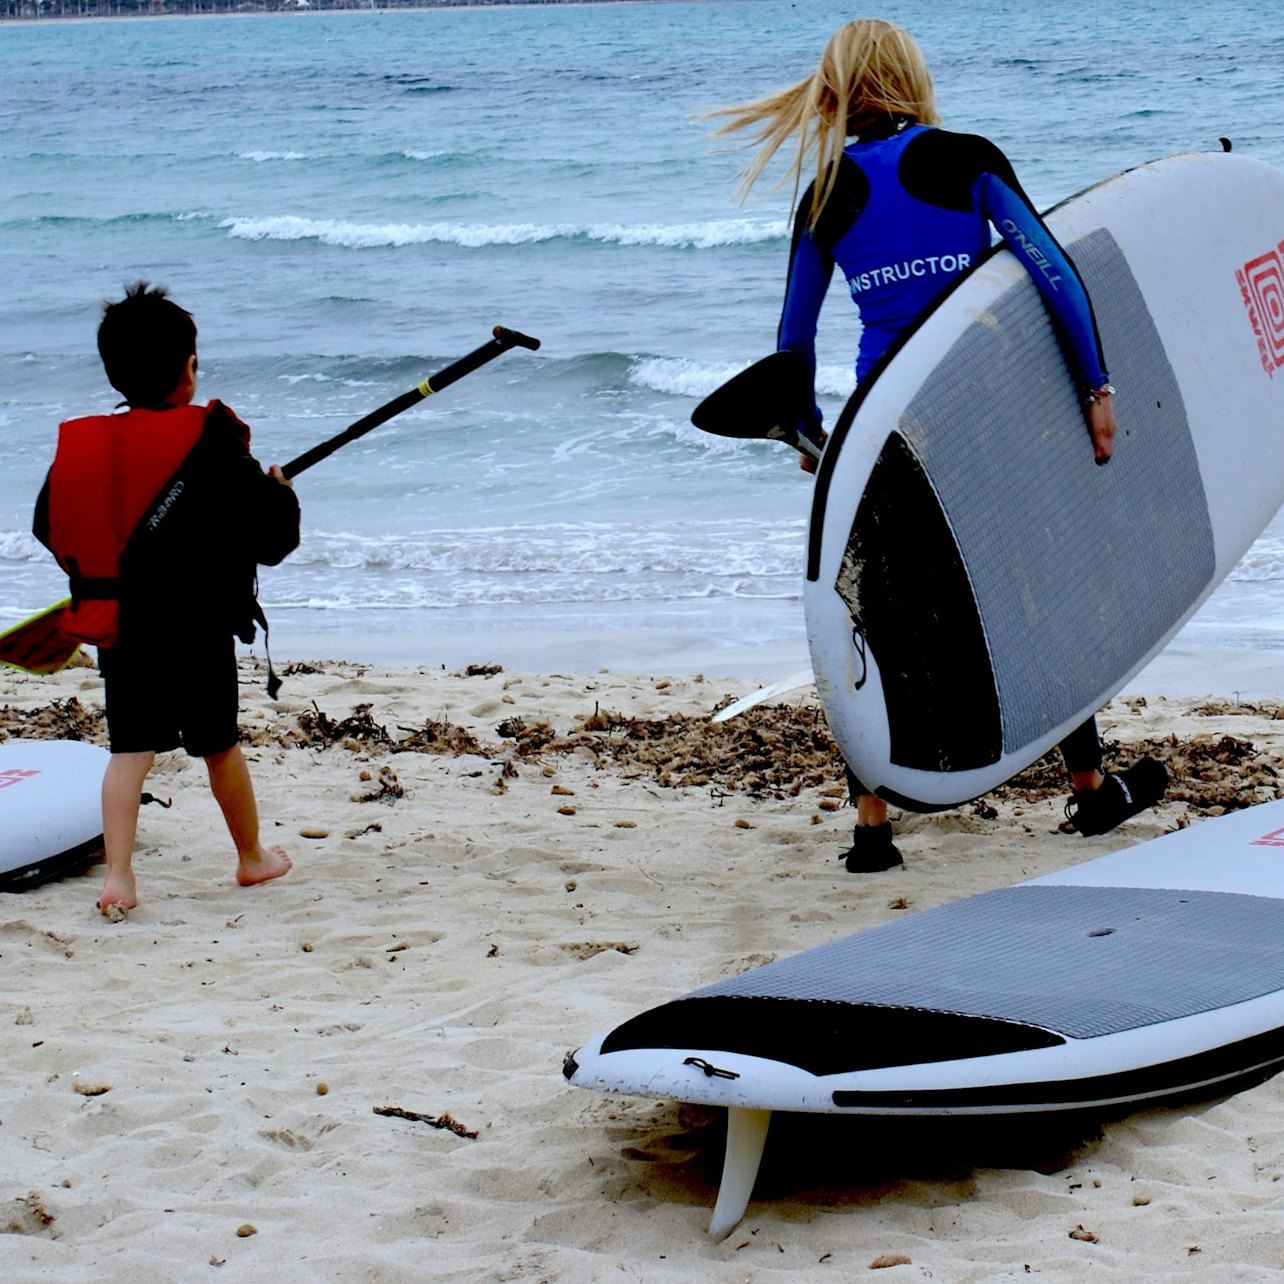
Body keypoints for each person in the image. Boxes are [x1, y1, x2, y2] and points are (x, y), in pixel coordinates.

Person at [712, 19, 1166, 873]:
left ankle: (874, 827)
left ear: (838, 89)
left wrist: (810, 436)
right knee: (1036, 598)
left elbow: (791, 342)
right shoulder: (967, 159)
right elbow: (1051, 270)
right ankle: (1093, 788)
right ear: (910, 75)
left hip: (881, 435)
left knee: (880, 616)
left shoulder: (824, 194)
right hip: (976, 421)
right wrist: (1096, 390)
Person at [33, 283, 301, 913]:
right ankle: (250, 857)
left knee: (129, 752)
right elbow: (272, 538)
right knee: (218, 745)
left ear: (113, 374)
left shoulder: (88, 447)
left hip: (122, 628)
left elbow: (50, 523)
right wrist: (278, 489)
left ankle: (118, 876)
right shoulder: (211, 443)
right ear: (188, 369)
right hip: (197, 628)